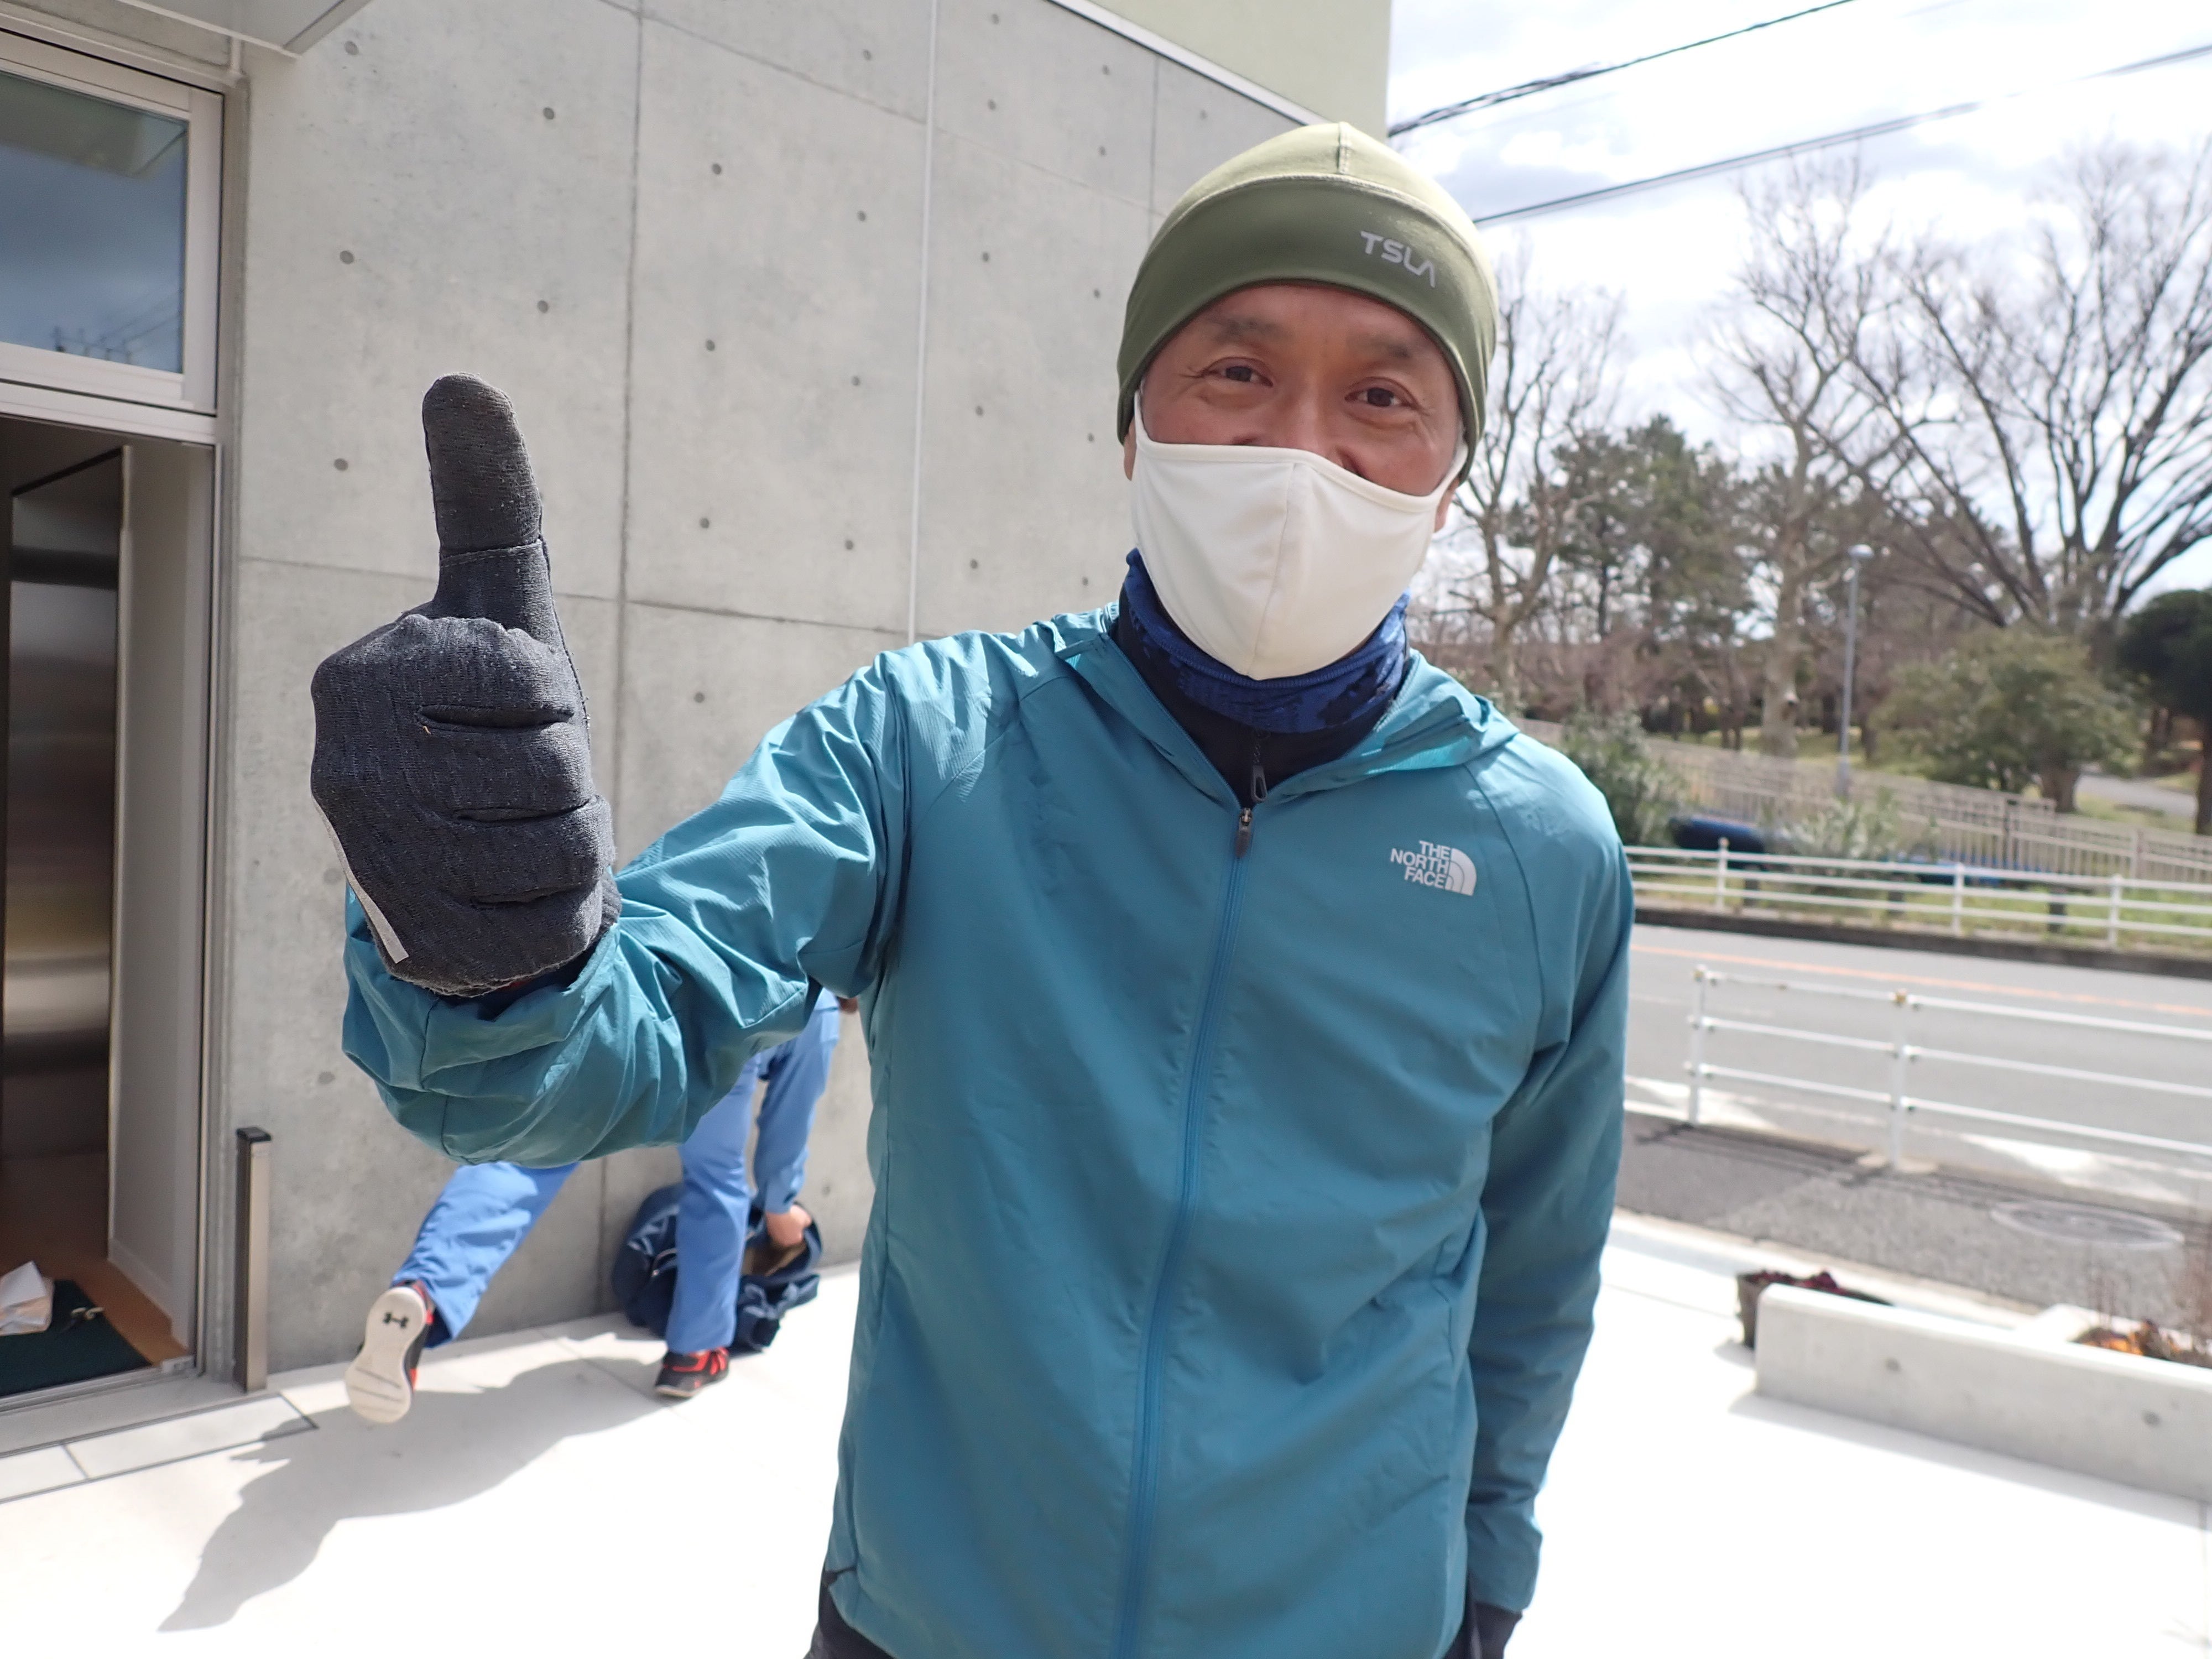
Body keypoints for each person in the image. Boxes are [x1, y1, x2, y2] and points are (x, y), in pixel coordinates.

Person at [312, 125, 1629, 1659]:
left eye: (1384, 396)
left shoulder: (1541, 847)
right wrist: (488, 952)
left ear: (1452, 478)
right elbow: (632, 1024)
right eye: (1237, 371)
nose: (1300, 451)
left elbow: (1535, 1271)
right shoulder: (926, 744)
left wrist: (1487, 1579)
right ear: (1132, 427)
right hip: (931, 1616)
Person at [342, 989, 845, 1421]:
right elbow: (785, 1134)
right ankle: (695, 1353)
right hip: (715, 1045)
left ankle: (426, 1292)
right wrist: (780, 1207)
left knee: (530, 1159)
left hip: (619, 1009)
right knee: (718, 1181)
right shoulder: (815, 999)